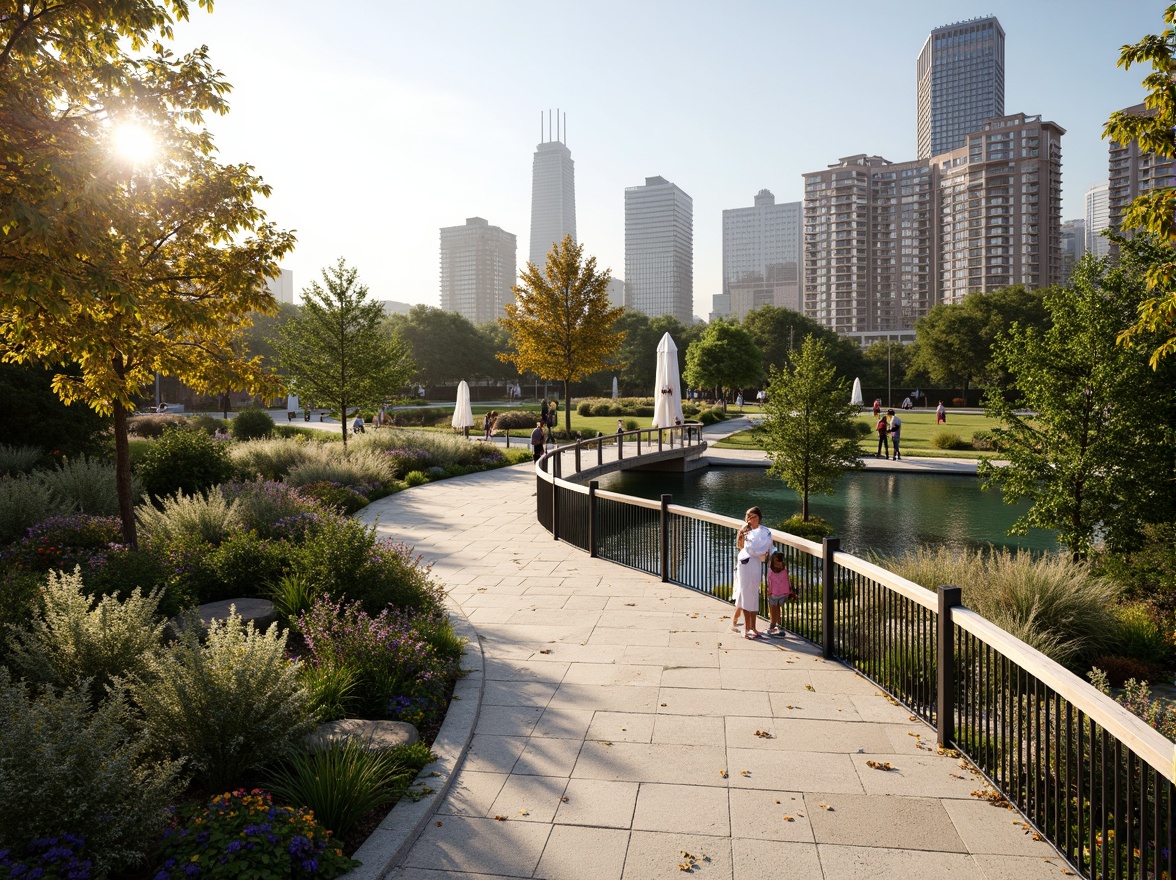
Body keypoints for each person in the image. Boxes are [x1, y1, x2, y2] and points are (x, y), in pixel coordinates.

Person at [734, 506, 772, 639]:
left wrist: (758, 550)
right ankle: (746, 627)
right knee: (745, 593)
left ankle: (753, 627)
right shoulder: (744, 531)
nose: (750, 519)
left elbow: (764, 547)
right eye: (748, 516)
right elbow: (745, 547)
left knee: (754, 593)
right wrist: (743, 538)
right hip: (745, 563)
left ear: (759, 518)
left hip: (755, 564)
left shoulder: (765, 532)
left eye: (753, 516)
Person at [766, 551, 795, 637]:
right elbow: (769, 582)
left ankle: (777, 625)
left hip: (783, 593)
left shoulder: (784, 570)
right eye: (775, 563)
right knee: (773, 608)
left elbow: (787, 581)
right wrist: (769, 591)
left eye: (780, 563)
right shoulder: (770, 571)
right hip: (773, 593)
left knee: (778, 608)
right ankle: (773, 624)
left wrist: (790, 591)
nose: (778, 565)